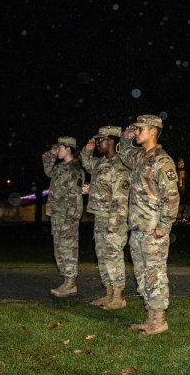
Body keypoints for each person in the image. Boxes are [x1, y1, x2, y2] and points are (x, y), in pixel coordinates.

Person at [121, 114, 179, 335]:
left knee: (155, 275)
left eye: (139, 129)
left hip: (153, 230)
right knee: (142, 275)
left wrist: (164, 226)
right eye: (135, 129)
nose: (136, 132)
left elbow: (171, 196)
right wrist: (125, 138)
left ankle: (160, 320)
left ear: (153, 131)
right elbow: (124, 154)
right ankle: (151, 318)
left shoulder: (162, 161)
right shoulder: (139, 157)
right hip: (137, 228)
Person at [81, 126, 131, 309]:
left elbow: (120, 200)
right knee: (102, 256)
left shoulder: (120, 166)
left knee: (114, 256)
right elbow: (85, 161)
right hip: (100, 217)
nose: (97, 144)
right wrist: (87, 148)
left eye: (100, 140)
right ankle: (108, 294)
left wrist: (114, 226)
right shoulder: (100, 163)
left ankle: (118, 297)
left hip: (114, 219)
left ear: (111, 141)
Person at [42, 136, 85, 297]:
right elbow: (47, 169)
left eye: (59, 148)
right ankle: (66, 282)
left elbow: (76, 197)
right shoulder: (59, 168)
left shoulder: (75, 170)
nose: (57, 150)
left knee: (69, 249)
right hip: (57, 215)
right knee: (59, 249)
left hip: (68, 217)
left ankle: (70, 283)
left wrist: (72, 218)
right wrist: (51, 154)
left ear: (68, 149)